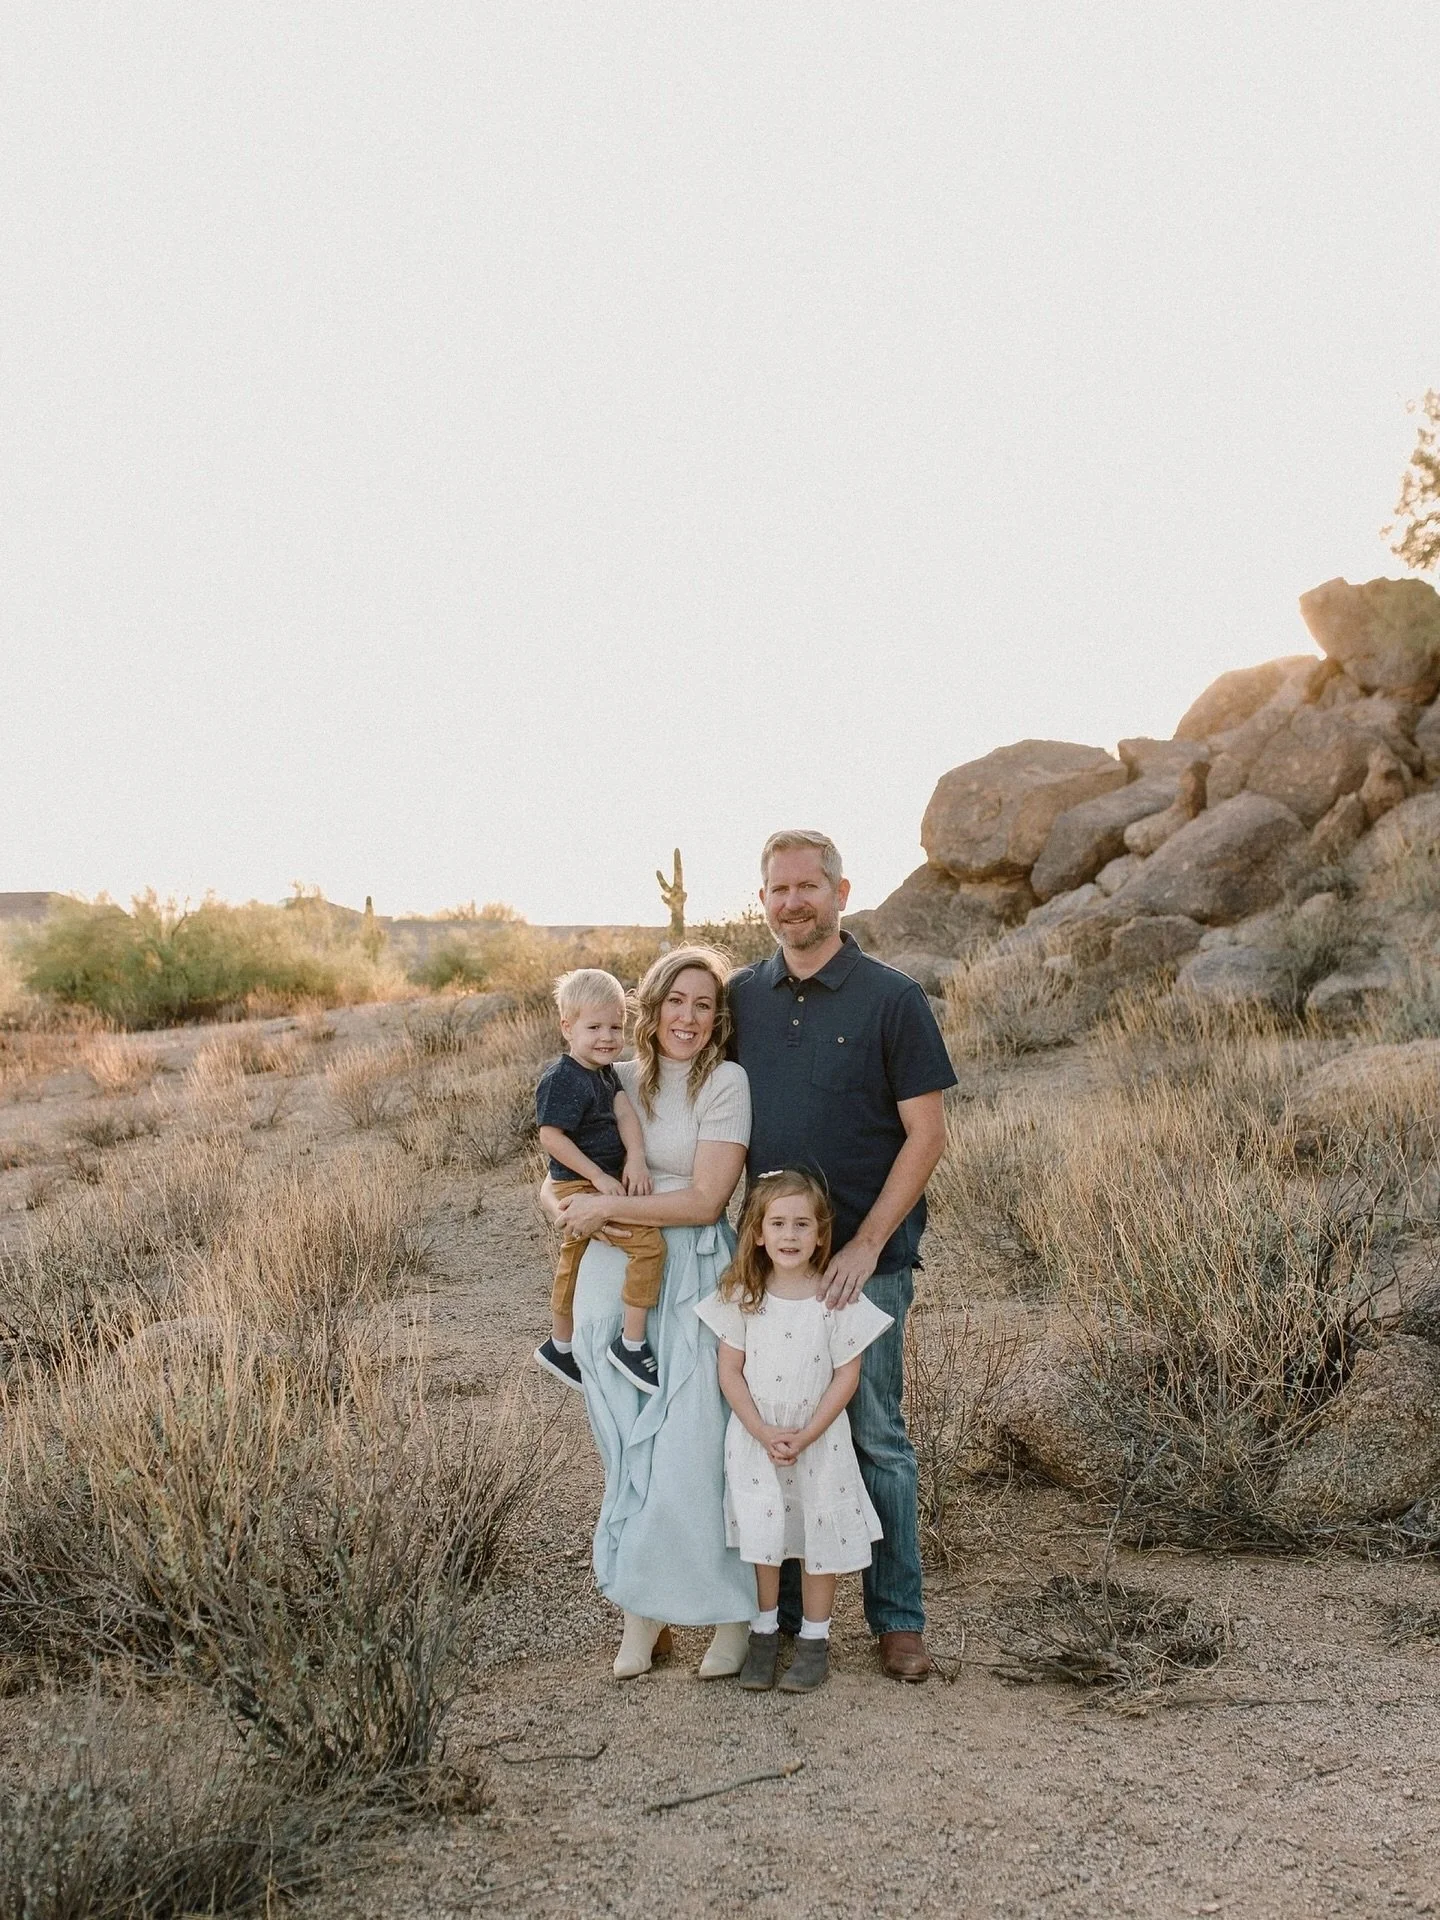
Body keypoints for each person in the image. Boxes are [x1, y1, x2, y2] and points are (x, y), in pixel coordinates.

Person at [726, 829, 957, 1683]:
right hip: (770, 1271)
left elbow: (927, 1135)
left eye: (807, 887)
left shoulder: (892, 999)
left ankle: (897, 1621)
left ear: (840, 893)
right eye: (778, 890)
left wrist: (865, 1243)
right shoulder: (741, 998)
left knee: (875, 1435)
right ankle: (784, 1616)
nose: (793, 902)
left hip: (868, 1265)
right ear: (763, 900)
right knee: (776, 1428)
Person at [542, 947, 758, 1681]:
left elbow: (705, 1200)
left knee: (695, 1444)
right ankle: (642, 1616)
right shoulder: (617, 1075)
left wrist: (603, 1206)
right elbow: (554, 1170)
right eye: (675, 1001)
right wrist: (566, 1205)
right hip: (615, 1272)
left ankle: (730, 1616)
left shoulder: (724, 1082)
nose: (687, 1018)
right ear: (653, 1006)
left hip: (691, 1268)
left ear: (716, 1018)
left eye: (703, 1005)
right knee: (626, 1445)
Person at [696, 1168, 893, 1693]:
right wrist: (762, 1430)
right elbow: (729, 1372)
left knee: (816, 1536)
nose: (789, 1235)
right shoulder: (743, 1294)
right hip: (756, 1440)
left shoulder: (836, 1298)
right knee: (763, 1536)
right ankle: (763, 1635)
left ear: (821, 1235)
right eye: (778, 1223)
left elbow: (847, 1376)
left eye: (802, 1224)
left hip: (818, 1440)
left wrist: (806, 1434)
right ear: (758, 1233)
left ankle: (814, 1641)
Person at [533, 968, 665, 1394]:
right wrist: (597, 1177)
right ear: (567, 1028)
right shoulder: (563, 1078)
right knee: (647, 1246)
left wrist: (636, 1159)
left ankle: (560, 1345)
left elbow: (625, 1114)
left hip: (602, 1180)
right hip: (579, 1182)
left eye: (615, 1027)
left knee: (577, 1257)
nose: (607, 1038)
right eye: (594, 1028)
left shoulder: (604, 1072)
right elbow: (551, 1137)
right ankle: (630, 1343)